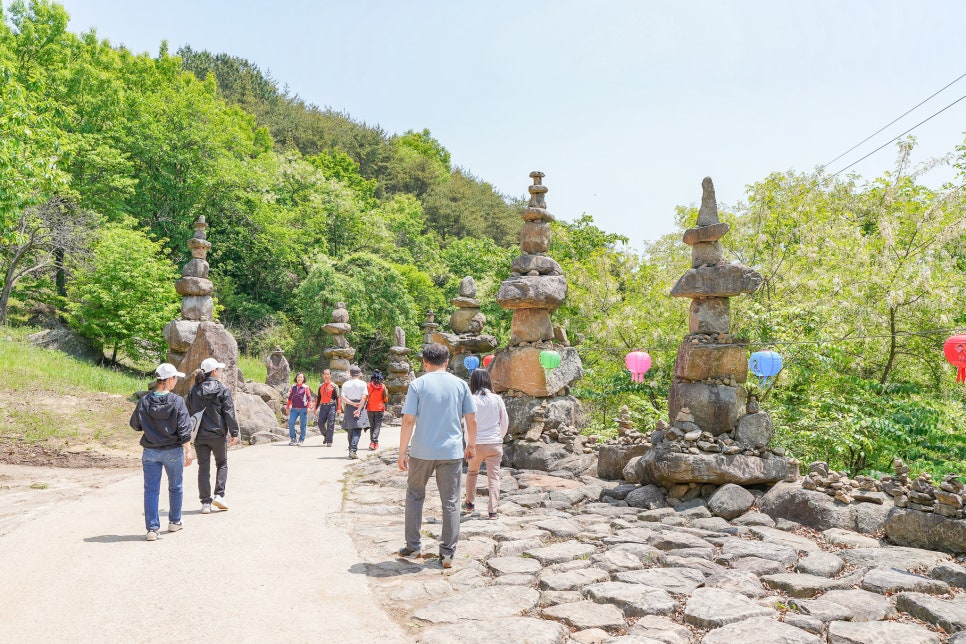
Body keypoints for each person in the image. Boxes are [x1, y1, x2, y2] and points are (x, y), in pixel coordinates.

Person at [397, 343, 477, 569]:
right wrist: (471, 444)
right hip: (451, 451)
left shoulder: (417, 384)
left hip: (422, 450)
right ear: (447, 361)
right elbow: (471, 419)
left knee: (414, 495)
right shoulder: (460, 385)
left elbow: (408, 420)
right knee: (450, 502)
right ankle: (448, 553)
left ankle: (413, 546)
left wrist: (403, 452)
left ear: (424, 361)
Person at [130, 363, 193, 541]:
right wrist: (188, 450)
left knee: (151, 490)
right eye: (175, 378)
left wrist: (150, 425)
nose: (176, 382)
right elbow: (184, 430)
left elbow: (135, 425)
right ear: (169, 380)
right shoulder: (178, 402)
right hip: (173, 451)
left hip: (150, 451)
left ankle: (152, 529)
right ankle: (174, 521)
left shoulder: (144, 401)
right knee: (176, 487)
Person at [187, 357, 240, 514]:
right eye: (219, 369)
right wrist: (234, 432)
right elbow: (229, 412)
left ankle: (205, 503)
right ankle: (219, 495)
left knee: (203, 468)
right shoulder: (222, 389)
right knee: (221, 464)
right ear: (214, 371)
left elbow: (189, 411)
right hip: (218, 434)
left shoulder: (194, 390)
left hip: (199, 435)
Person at [463, 369, 508, 520]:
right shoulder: (497, 399)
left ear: (473, 382)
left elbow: (468, 424)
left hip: (476, 444)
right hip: (494, 443)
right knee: (494, 477)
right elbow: (504, 421)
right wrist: (499, 437)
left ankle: (470, 503)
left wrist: (469, 444)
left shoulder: (471, 399)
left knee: (472, 472)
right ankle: (492, 511)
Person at [340, 365, 369, 459]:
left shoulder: (346, 384)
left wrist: (352, 403)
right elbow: (364, 397)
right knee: (357, 429)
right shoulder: (363, 383)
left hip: (349, 406)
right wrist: (359, 409)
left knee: (350, 429)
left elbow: (343, 397)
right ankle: (353, 450)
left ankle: (350, 449)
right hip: (360, 405)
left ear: (350, 373)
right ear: (359, 374)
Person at [286, 372, 313, 446]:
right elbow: (290, 397)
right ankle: (293, 439)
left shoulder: (305, 387)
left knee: (302, 425)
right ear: (296, 378)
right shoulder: (293, 386)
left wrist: (308, 407)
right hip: (294, 409)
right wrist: (287, 407)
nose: (299, 378)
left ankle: (301, 440)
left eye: (301, 377)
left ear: (303, 379)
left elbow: (309, 398)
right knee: (291, 423)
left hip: (303, 409)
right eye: (298, 377)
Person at [316, 369, 341, 447]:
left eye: (328, 374)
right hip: (323, 406)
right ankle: (326, 436)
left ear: (330, 375)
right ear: (323, 376)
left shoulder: (334, 386)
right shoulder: (321, 386)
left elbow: (338, 398)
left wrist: (339, 408)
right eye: (325, 374)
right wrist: (315, 408)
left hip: (331, 406)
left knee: (330, 423)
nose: (326, 376)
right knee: (320, 423)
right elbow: (318, 398)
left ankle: (329, 441)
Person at [366, 370, 389, 450]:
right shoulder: (383, 386)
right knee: (377, 426)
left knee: (372, 426)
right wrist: (386, 406)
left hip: (370, 408)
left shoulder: (368, 386)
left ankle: (373, 443)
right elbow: (385, 398)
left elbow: (365, 397)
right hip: (379, 409)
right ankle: (374, 441)